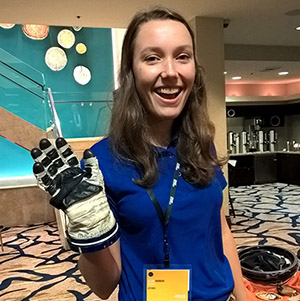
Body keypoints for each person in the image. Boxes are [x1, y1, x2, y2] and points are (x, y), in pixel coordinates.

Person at [31, 7, 248, 301]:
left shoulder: (200, 143)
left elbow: (220, 231)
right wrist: (88, 232)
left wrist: (244, 295)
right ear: (131, 71)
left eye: (182, 56)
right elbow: (103, 286)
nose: (170, 72)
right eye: (152, 57)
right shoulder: (102, 161)